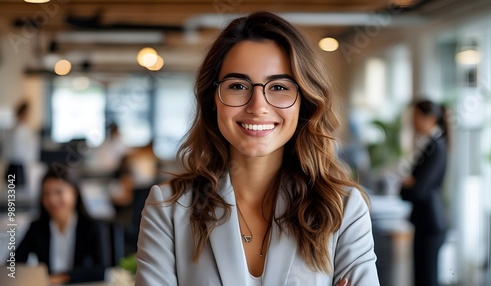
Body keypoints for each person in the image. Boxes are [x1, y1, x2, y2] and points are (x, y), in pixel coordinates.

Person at [136, 11, 379, 286]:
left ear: (305, 103)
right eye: (238, 85)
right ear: (212, 100)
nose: (258, 107)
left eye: (278, 86)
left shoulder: (344, 207)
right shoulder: (168, 208)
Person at [16, 167, 108, 285]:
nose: (52, 199)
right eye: (46, 194)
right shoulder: (37, 227)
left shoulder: (92, 227)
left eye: (58, 192)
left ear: (74, 193)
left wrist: (59, 278)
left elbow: (101, 270)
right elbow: (14, 264)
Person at [400, 99, 449, 286]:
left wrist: (410, 184)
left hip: (431, 224)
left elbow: (419, 190)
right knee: (421, 278)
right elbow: (409, 185)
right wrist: (408, 184)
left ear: (429, 118)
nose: (412, 122)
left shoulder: (435, 147)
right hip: (424, 222)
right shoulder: (429, 144)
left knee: (427, 280)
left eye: (415, 117)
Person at [2, 100, 39, 189]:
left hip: (16, 165)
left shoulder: (14, 129)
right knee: (14, 192)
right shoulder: (19, 131)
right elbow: (18, 151)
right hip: (17, 166)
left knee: (13, 192)